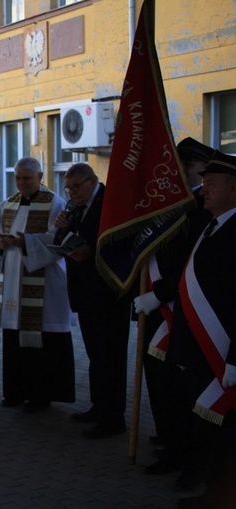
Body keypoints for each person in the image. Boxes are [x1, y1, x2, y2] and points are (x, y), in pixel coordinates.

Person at [133, 137, 214, 481]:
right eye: (178, 166)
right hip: (156, 307)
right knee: (158, 382)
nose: (182, 172)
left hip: (181, 310)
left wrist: (160, 294)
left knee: (182, 390)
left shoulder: (203, 209)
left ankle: (187, 456)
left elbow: (190, 264)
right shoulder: (172, 204)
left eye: (189, 168)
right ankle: (169, 442)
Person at [169, 151, 236, 509]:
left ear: (234, 188)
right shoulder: (210, 225)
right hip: (200, 351)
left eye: (211, 184)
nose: (203, 190)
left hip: (223, 354)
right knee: (208, 429)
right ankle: (211, 491)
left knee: (225, 431)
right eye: (204, 182)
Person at [0, 157, 75, 412]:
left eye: (27, 178)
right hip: (14, 281)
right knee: (14, 340)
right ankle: (15, 391)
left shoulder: (55, 204)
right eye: (18, 178)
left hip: (44, 286)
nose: (22, 183)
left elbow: (58, 240)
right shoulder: (8, 205)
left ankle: (41, 395)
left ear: (40, 177)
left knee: (42, 344)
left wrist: (25, 242)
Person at [54, 163, 132, 439]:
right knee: (95, 356)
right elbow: (67, 241)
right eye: (69, 188)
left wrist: (92, 252)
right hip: (85, 294)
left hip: (109, 295)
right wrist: (61, 229)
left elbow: (123, 246)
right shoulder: (76, 207)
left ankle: (114, 418)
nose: (72, 192)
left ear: (93, 180)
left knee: (111, 358)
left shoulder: (110, 203)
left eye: (77, 186)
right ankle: (99, 407)